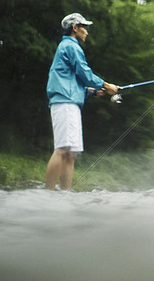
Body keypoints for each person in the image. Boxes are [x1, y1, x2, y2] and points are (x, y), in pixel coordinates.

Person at [44, 12, 119, 190]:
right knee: (62, 149)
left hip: (71, 102)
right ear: (74, 28)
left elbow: (72, 80)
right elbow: (83, 72)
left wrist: (93, 92)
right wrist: (106, 85)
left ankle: (65, 196)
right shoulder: (71, 46)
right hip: (65, 102)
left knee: (71, 154)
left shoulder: (68, 47)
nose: (86, 32)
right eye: (84, 27)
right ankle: (45, 196)